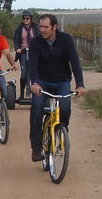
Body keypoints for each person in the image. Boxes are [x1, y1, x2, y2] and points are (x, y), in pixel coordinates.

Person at [28, 13, 86, 162]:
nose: (42, 30)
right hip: (42, 82)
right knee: (36, 109)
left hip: (61, 81)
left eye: (46, 27)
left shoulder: (66, 40)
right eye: (40, 27)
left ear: (54, 27)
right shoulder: (35, 42)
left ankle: (61, 131)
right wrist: (34, 82)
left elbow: (75, 63)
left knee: (65, 107)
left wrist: (80, 84)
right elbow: (32, 65)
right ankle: (36, 148)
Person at [12, 9, 37, 97]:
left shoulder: (35, 28)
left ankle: (30, 90)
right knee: (24, 73)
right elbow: (16, 39)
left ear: (30, 19)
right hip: (22, 52)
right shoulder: (19, 28)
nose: (25, 20)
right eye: (24, 19)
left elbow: (39, 39)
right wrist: (17, 48)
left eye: (27, 18)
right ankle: (22, 92)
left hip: (33, 52)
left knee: (31, 72)